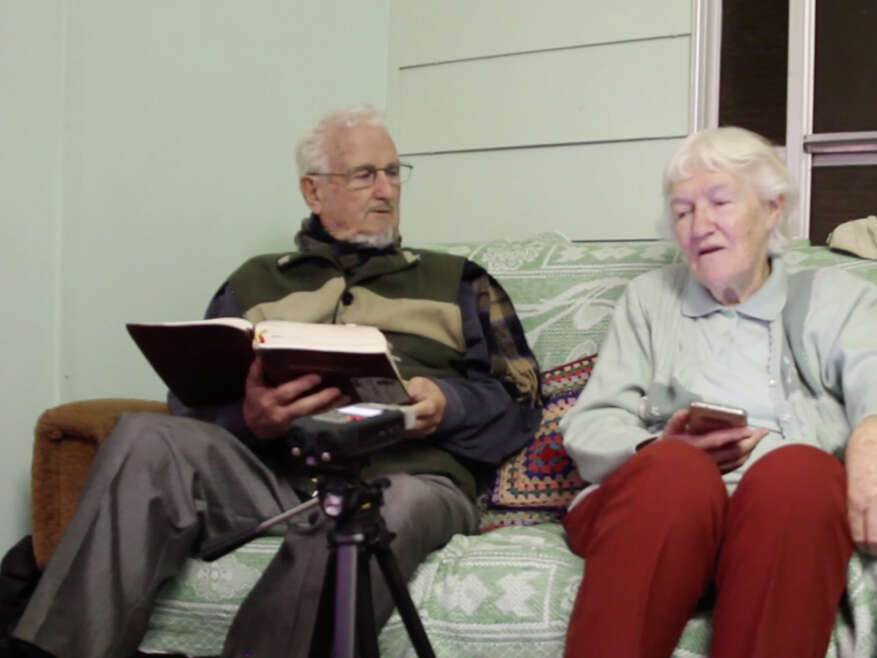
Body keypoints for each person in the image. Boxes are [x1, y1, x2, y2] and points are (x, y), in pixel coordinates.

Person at [12, 104, 542, 658]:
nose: (386, 189)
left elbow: (522, 403)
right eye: (364, 174)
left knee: (378, 505)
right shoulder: (254, 282)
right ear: (314, 192)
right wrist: (249, 418)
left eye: (393, 171)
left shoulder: (459, 281)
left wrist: (448, 403)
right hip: (276, 477)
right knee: (145, 435)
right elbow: (190, 407)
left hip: (410, 479)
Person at [559, 126, 877, 658]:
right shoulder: (650, 299)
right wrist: (657, 449)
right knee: (677, 471)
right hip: (657, 518)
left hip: (779, 526)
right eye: (682, 212)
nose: (700, 226)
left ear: (771, 209)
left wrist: (874, 441)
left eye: (720, 202)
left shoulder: (838, 298)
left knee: (802, 472)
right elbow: (590, 424)